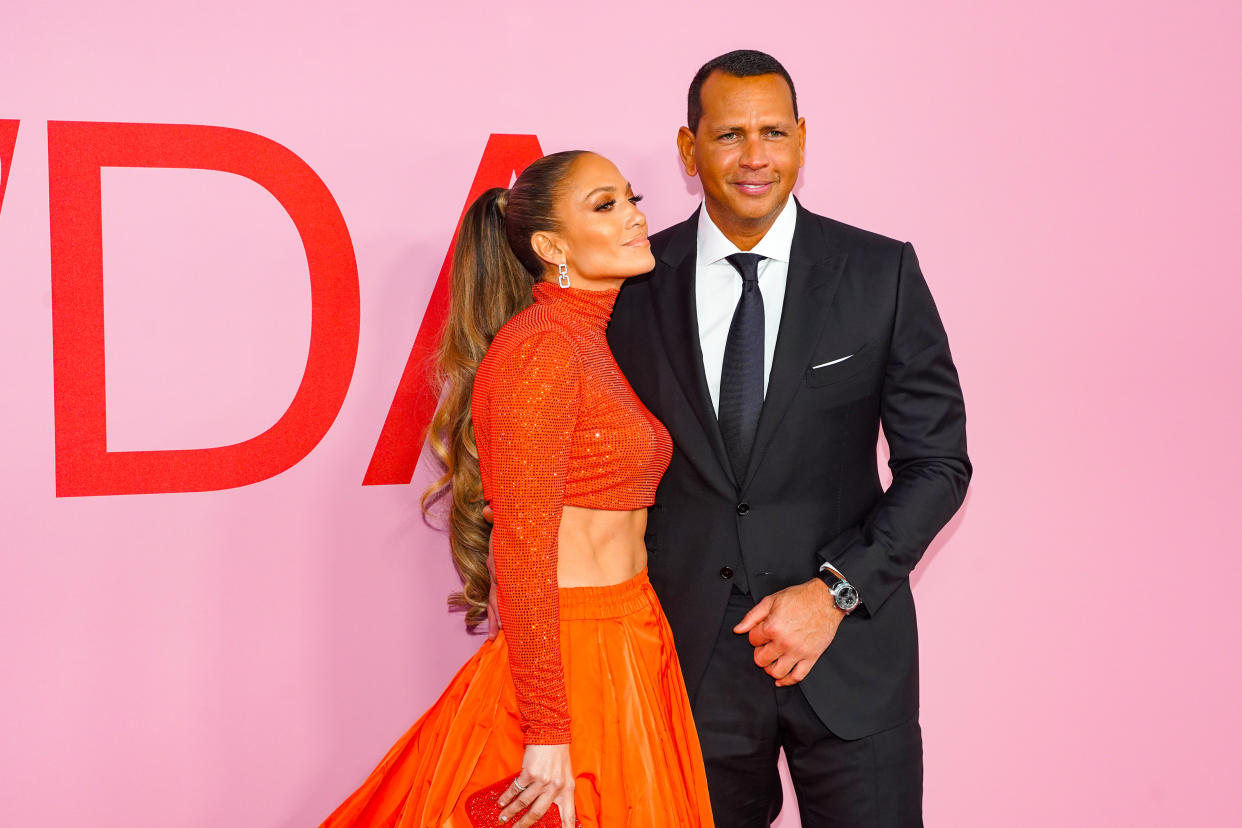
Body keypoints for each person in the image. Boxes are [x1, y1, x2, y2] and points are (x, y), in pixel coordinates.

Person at [605, 50, 972, 827]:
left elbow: (937, 463)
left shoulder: (880, 272)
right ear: (687, 147)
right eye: (729, 134)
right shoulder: (632, 286)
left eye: (774, 132)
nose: (754, 157)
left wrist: (835, 593)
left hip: (851, 657)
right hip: (688, 669)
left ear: (802, 139)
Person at [321, 151, 715, 828]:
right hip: (575, 656)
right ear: (551, 246)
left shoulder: (585, 341)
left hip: (631, 638)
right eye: (606, 205)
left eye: (631, 197)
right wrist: (547, 729)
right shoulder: (539, 349)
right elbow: (525, 543)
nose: (635, 217)